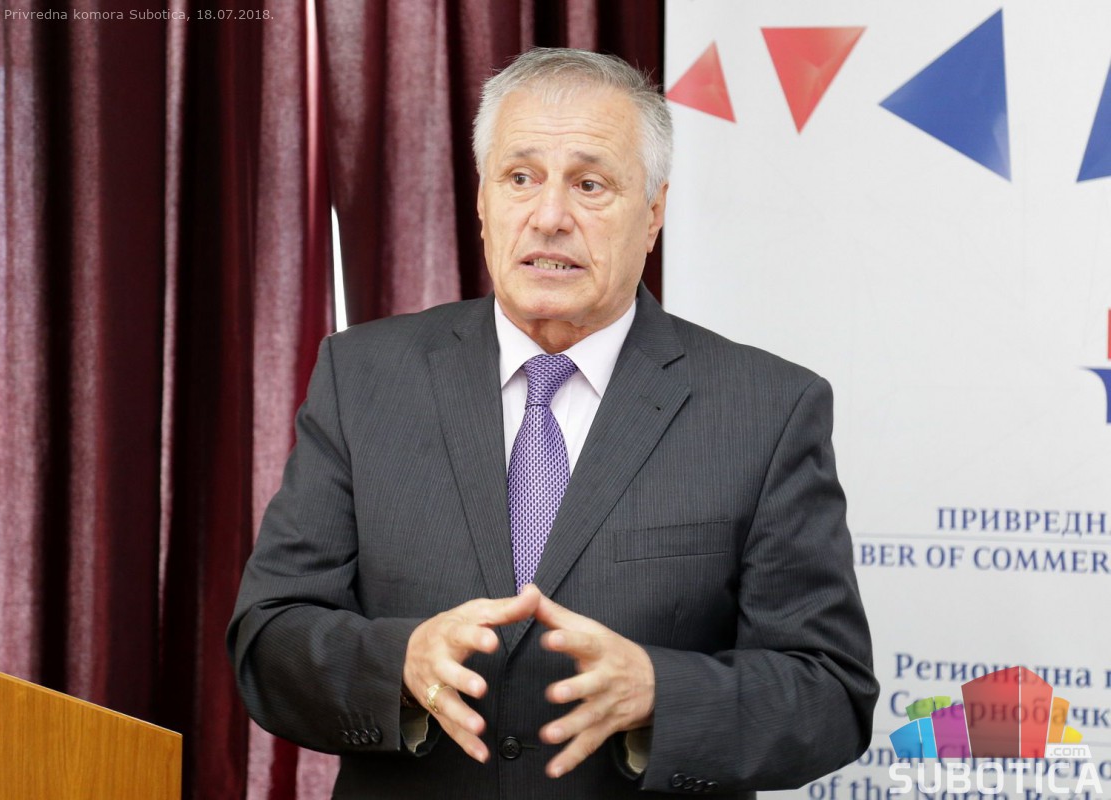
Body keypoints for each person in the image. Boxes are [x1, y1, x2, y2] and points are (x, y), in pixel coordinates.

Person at [227, 47, 878, 799]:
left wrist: (660, 693)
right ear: (482, 201)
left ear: (653, 212)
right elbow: (269, 638)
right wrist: (398, 663)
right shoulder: (362, 377)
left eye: (590, 185)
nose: (549, 217)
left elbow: (829, 692)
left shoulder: (766, 409)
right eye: (520, 178)